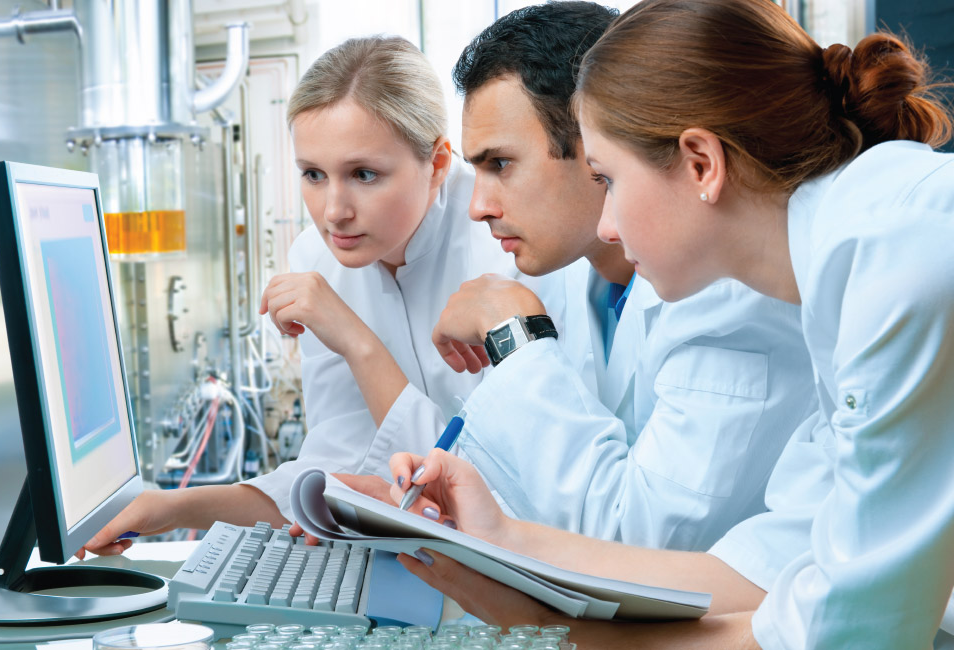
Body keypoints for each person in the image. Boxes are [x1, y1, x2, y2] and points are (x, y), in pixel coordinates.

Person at [388, 0, 954, 647]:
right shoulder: (847, 272)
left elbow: (859, 628)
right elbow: (770, 571)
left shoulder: (892, 261)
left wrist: (553, 629)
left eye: (607, 177)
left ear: (701, 165)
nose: (606, 225)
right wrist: (502, 537)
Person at [78, 36, 516, 556]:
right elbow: (333, 472)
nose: (334, 211)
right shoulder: (317, 255)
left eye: (364, 174)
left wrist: (356, 341)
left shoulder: (504, 247)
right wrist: (172, 508)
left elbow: (483, 492)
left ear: (439, 163)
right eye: (313, 174)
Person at [432, 1, 816, 551]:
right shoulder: (563, 274)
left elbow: (641, 540)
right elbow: (538, 491)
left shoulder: (728, 284)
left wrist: (518, 342)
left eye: (500, 164)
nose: (478, 206)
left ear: (598, 137)